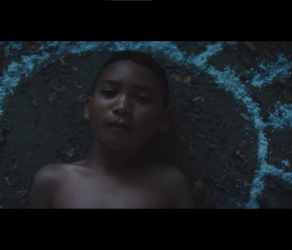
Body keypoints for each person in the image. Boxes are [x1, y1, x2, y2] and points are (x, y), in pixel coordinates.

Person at [30, 50, 194, 208]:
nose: (122, 107)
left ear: (164, 119)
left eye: (142, 98)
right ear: (88, 107)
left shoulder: (170, 185)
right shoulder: (52, 182)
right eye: (109, 92)